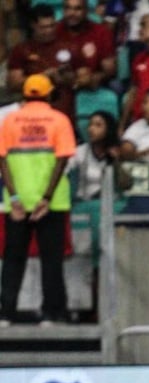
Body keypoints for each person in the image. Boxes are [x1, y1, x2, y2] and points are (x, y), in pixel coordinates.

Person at [0, 74, 76, 327]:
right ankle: (52, 313)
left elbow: (2, 161)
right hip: (51, 203)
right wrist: (45, 198)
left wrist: (14, 197)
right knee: (51, 259)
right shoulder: (59, 120)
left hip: (17, 202)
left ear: (24, 95)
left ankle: (6, 313)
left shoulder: (10, 121)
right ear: (50, 94)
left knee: (13, 258)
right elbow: (62, 159)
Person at [7, 4, 85, 122]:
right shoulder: (22, 50)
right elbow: (13, 83)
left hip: (63, 110)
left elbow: (85, 77)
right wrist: (43, 77)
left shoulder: (70, 47)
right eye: (43, 27)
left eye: (52, 26)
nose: (49, 31)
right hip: (32, 113)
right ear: (33, 25)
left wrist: (69, 79)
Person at [55, 0, 117, 88]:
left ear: (86, 11)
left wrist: (95, 78)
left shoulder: (101, 33)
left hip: (91, 87)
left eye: (78, 9)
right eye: (68, 8)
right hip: (59, 86)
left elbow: (110, 70)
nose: (72, 13)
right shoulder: (55, 30)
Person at [71, 110, 120, 200]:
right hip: (85, 203)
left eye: (98, 125)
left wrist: (116, 162)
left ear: (108, 130)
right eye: (90, 125)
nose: (91, 129)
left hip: (111, 204)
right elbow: (64, 171)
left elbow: (126, 184)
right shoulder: (80, 151)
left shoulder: (118, 151)